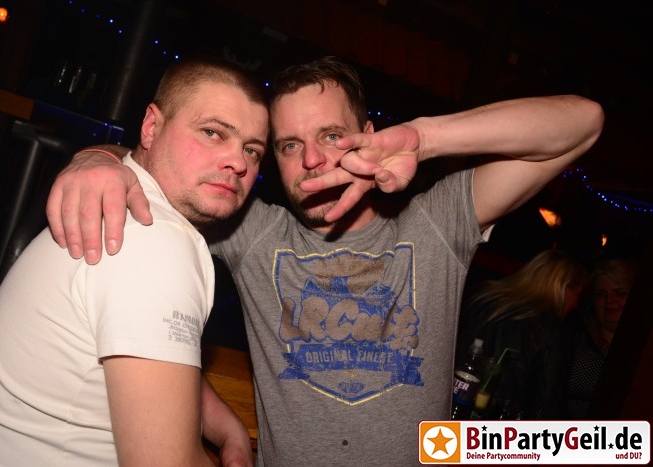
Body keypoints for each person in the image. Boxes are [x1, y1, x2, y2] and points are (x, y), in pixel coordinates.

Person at [45, 56, 604, 465]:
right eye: (289, 145)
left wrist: (423, 137)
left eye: (331, 135)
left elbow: (583, 123)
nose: (312, 159)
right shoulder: (252, 231)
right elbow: (164, 171)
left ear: (369, 136)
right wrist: (98, 159)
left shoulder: (436, 222)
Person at [0, 56, 269, 466]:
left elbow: (140, 348)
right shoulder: (156, 240)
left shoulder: (129, 204)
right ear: (151, 127)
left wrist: (224, 425)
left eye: (252, 150)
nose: (238, 163)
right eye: (212, 132)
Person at [455, 249, 587, 420]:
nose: (576, 304)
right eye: (578, 294)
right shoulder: (552, 330)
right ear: (563, 287)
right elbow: (548, 403)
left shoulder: (483, 300)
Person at [567, 257, 639, 419]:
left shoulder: (644, 350)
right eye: (601, 294)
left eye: (619, 293)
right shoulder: (574, 338)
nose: (609, 300)